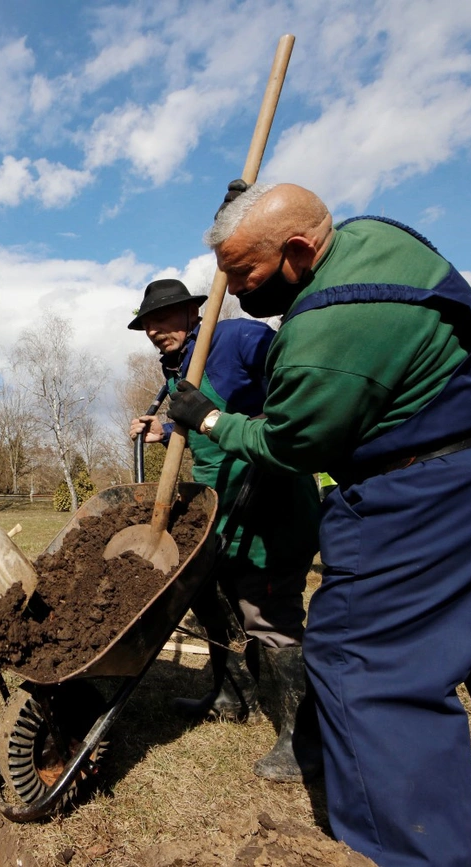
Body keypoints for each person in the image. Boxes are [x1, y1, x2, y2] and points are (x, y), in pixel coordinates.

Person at [167, 182, 471, 865]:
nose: (235, 290)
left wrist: (209, 419)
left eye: (245, 273)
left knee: (368, 670)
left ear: (298, 250)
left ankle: (418, 854)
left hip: (427, 497)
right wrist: (239, 219)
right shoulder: (375, 237)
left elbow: (292, 445)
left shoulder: (325, 332)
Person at [126, 278, 320, 781]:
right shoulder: (175, 368)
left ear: (194, 312)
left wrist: (258, 425)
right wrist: (165, 429)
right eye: (147, 323)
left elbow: (293, 386)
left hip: (270, 495)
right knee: (207, 592)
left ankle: (306, 740)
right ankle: (232, 693)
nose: (153, 330)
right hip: (219, 503)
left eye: (163, 318)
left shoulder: (236, 339)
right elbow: (201, 420)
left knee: (267, 610)